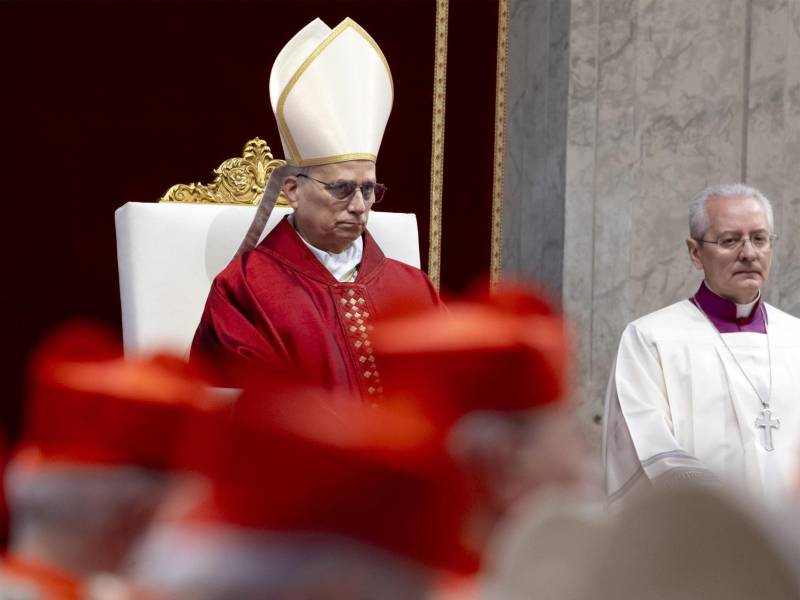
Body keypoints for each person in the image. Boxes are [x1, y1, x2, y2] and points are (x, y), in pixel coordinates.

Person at [190, 18, 442, 399]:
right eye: (341, 188)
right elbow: (241, 413)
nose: (359, 207)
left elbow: (454, 398)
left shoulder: (414, 288)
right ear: (293, 189)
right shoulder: (245, 289)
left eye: (369, 189)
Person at [603, 183, 800, 507]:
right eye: (730, 240)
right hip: (699, 537)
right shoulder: (651, 339)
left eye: (760, 239)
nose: (749, 253)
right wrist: (725, 519)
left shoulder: (794, 337)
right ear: (695, 252)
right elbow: (648, 448)